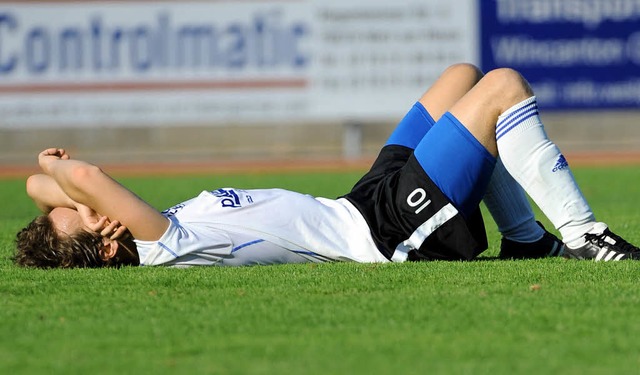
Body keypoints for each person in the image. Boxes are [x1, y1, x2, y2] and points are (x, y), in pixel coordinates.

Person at [14, 63, 639, 268]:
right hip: (382, 233)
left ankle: (526, 244)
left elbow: (39, 185)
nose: (88, 210)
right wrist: (64, 179)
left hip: (356, 201)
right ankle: (584, 237)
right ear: (103, 248)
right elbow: (82, 178)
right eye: (85, 221)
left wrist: (52, 186)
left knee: (461, 77)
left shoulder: (127, 228)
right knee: (502, 87)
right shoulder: (158, 245)